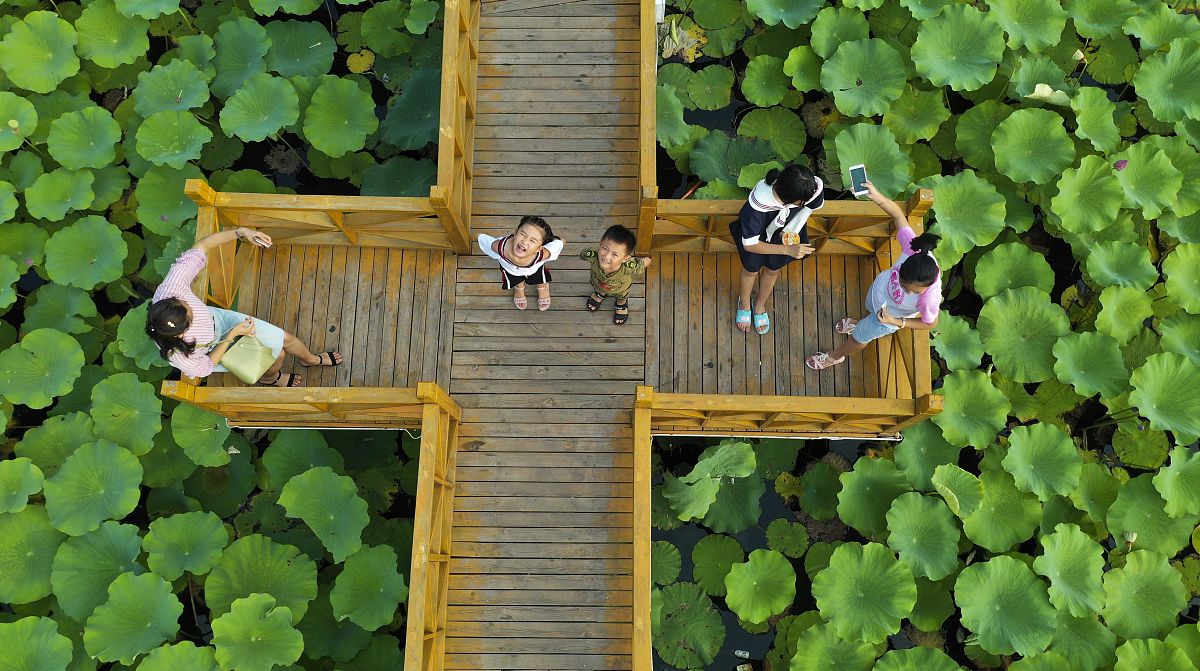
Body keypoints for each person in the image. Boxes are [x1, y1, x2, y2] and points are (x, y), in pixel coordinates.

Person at [147, 227, 343, 386]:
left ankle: (309, 359)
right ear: (181, 334)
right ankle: (270, 379)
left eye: (184, 303)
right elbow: (205, 368)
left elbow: (203, 246)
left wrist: (240, 232)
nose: (190, 305)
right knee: (277, 356)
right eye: (190, 313)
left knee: (286, 339)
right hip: (215, 349)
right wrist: (231, 336)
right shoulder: (179, 356)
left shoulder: (172, 289)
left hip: (221, 320)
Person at [806, 180, 941, 370]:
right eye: (903, 284)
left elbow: (929, 323)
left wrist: (895, 321)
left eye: (910, 292)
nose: (905, 291)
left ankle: (835, 357)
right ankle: (859, 323)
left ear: (925, 289)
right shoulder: (914, 249)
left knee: (860, 337)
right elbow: (897, 215)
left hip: (886, 318)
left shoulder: (929, 299)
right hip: (879, 292)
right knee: (867, 308)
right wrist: (876, 196)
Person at [731, 164, 823, 334]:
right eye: (801, 202)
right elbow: (750, 244)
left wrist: (792, 229)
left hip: (786, 234)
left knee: (772, 271)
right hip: (757, 240)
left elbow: (814, 202)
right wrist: (787, 250)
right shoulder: (758, 205)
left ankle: (759, 304)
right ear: (790, 199)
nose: (804, 204)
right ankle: (744, 302)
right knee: (750, 271)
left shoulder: (808, 187)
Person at [477, 216, 564, 311]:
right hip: (510, 270)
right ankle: (519, 288)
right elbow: (484, 240)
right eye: (523, 234)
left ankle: (542, 287)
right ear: (515, 233)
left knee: (539, 278)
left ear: (539, 248)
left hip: (534, 269)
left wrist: (561, 242)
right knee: (516, 280)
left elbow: (557, 245)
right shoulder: (499, 247)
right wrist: (477, 235)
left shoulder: (543, 254)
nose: (525, 241)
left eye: (532, 240)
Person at [579, 225, 651, 325]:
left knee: (622, 296)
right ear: (600, 244)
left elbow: (641, 265)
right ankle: (600, 293)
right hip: (598, 282)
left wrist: (647, 260)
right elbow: (583, 254)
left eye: (615, 254)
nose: (606, 256)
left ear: (625, 258)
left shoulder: (629, 266)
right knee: (598, 287)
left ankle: (621, 303)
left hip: (620, 289)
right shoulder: (592, 254)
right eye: (604, 248)